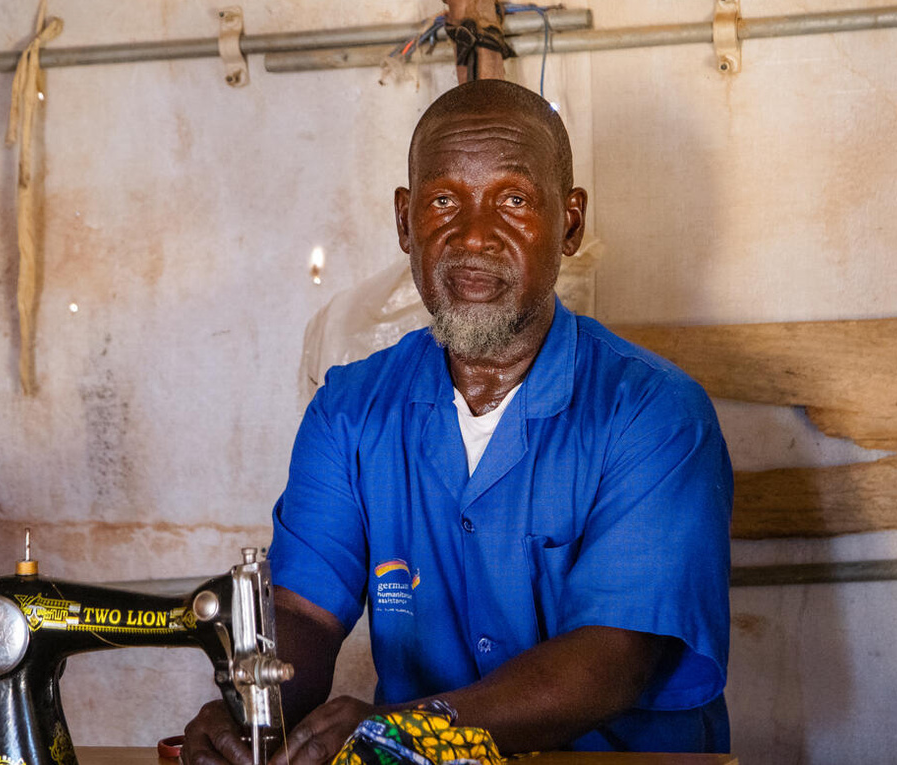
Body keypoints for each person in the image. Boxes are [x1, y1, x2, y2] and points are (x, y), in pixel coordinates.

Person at [184, 79, 733, 764]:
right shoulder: (350, 410)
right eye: (444, 200)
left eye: (512, 199)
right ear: (406, 221)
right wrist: (247, 705)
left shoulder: (654, 415)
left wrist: (405, 730)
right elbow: (303, 613)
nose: (474, 235)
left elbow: (609, 659)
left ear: (569, 222)